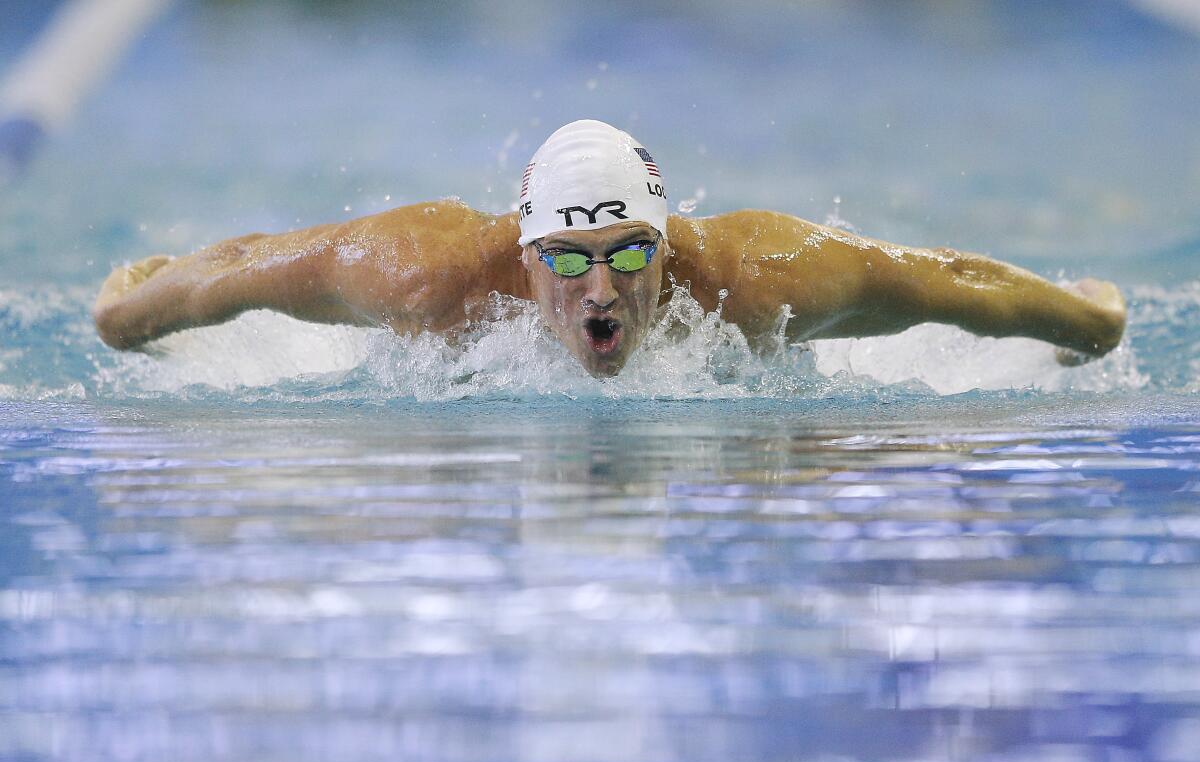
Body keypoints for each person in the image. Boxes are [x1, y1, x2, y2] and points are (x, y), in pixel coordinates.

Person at [93, 119, 1127, 378]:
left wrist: (1091, 319)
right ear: (525, 252)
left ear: (670, 250)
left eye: (631, 255)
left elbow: (946, 279)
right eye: (572, 259)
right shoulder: (428, 272)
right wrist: (129, 312)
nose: (602, 286)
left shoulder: (759, 278)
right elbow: (255, 265)